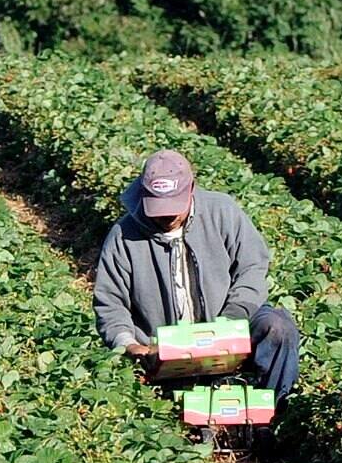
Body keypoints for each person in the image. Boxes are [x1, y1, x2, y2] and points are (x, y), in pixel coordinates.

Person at [91, 148, 299, 399]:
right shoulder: (124, 236)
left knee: (277, 327)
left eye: (172, 206)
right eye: (158, 207)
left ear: (191, 189)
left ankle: (270, 409)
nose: (167, 216)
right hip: (165, 344)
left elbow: (252, 267)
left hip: (228, 325)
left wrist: (231, 319)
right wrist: (129, 344)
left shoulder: (222, 212)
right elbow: (111, 301)